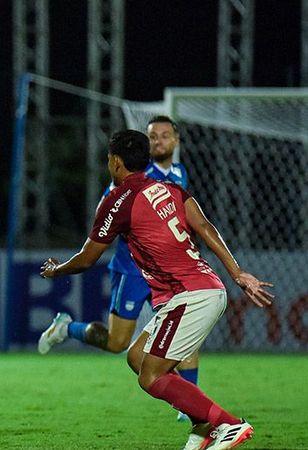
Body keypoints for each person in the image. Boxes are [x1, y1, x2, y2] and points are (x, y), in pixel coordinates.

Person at [39, 130, 273, 450]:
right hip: (201, 288)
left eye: (109, 158)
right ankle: (202, 424)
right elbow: (205, 227)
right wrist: (237, 273)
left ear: (116, 162)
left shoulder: (117, 200)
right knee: (136, 357)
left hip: (189, 296)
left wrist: (56, 270)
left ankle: (227, 424)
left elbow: (86, 259)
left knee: (150, 377)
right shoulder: (172, 189)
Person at [38, 116, 200, 421]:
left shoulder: (180, 172)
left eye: (165, 136)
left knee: (186, 330)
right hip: (132, 270)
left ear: (177, 140)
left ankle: (189, 406)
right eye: (153, 136)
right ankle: (67, 327)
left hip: (166, 271)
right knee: (117, 343)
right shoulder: (133, 175)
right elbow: (110, 210)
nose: (159, 141)